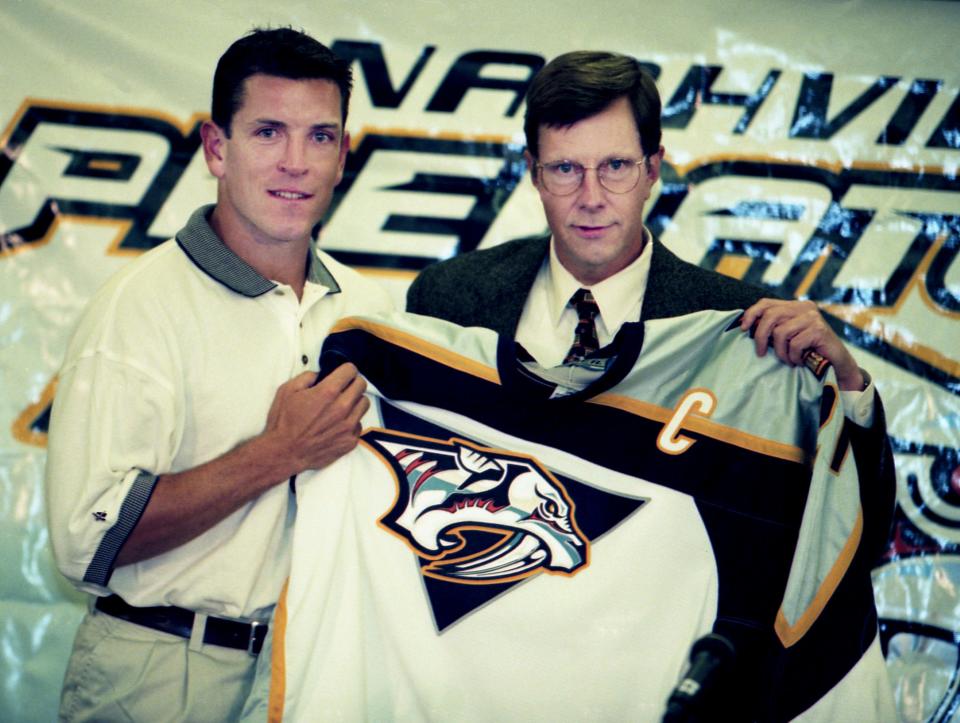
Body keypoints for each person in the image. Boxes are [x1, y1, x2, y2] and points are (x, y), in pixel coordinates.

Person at [404, 50, 896, 718]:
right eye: (565, 169)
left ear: (653, 170)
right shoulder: (447, 299)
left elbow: (851, 538)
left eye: (615, 166)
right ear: (533, 174)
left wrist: (844, 387)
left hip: (661, 691)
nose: (591, 196)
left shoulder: (741, 329)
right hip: (478, 684)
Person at [44, 28, 393, 722]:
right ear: (215, 148)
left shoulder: (370, 311)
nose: (296, 162)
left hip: (310, 672)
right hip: (161, 667)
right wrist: (275, 454)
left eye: (320, 137)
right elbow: (86, 539)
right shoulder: (139, 308)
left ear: (342, 156)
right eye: (268, 131)